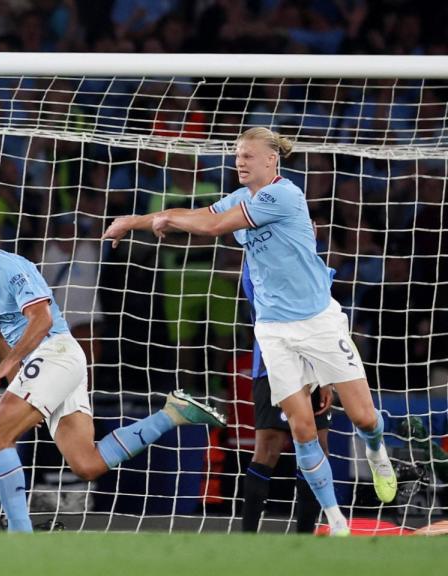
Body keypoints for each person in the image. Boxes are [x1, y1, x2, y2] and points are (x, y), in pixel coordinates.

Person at [103, 126, 397, 536]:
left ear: (271, 160)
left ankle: (377, 448)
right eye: (237, 155)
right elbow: (205, 215)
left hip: (318, 322)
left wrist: (168, 217)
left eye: (247, 155)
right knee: (300, 430)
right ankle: (335, 522)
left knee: (364, 418)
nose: (239, 161)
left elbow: (213, 227)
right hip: (274, 331)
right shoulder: (242, 197)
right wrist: (135, 220)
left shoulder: (283, 195)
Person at [0, 213, 226, 533]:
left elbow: (40, 320)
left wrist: (9, 365)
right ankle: (172, 414)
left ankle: (18, 534)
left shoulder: (8, 266)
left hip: (55, 352)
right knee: (87, 464)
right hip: (42, 367)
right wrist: (19, 384)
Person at [239, 259, 333, 534]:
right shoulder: (260, 261)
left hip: (314, 365)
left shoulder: (315, 265)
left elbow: (324, 321)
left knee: (318, 449)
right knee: (269, 447)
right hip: (274, 364)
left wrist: (326, 374)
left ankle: (303, 538)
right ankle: (246, 539)